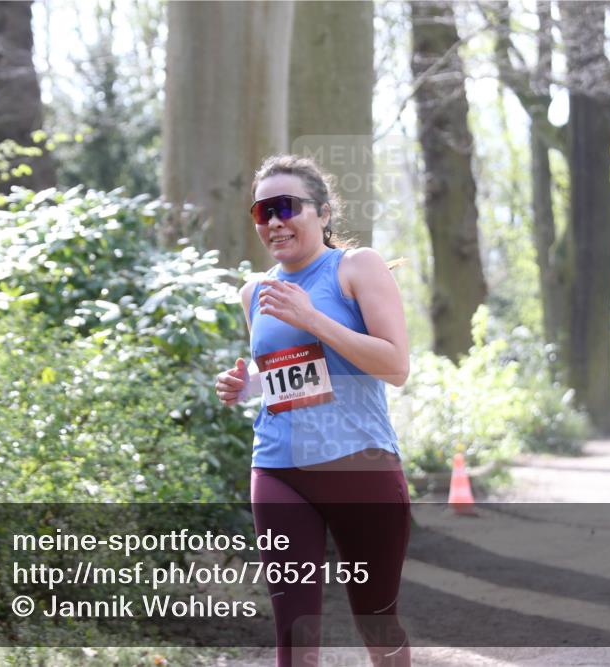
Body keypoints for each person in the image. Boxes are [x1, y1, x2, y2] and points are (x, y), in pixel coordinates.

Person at [214, 154, 412, 667]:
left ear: (323, 213)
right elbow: (302, 376)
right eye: (262, 212)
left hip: (359, 467)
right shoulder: (253, 292)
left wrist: (313, 317)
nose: (274, 221)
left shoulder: (356, 267)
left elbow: (394, 365)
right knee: (294, 636)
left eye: (286, 206)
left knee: (378, 621)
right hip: (279, 469)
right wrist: (246, 384)